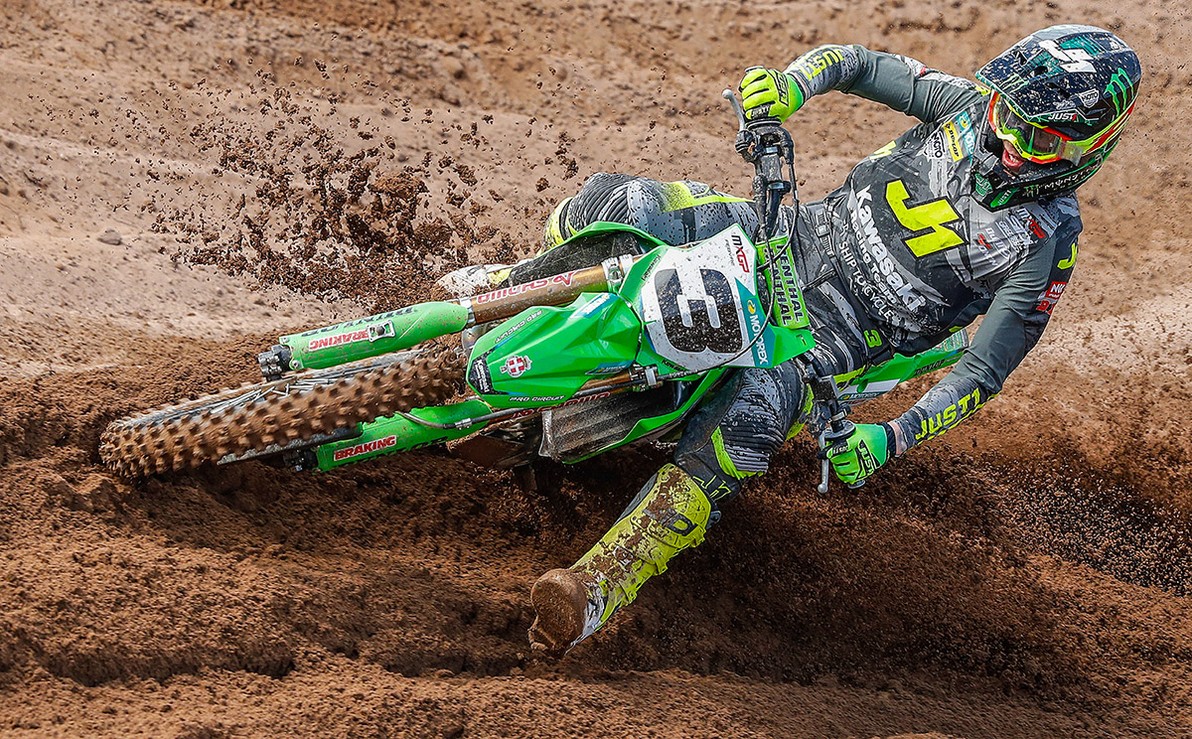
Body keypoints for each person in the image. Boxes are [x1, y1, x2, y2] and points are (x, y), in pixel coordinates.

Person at [442, 25, 1141, 654]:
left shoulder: (1048, 245)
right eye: (1007, 117)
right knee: (611, 203)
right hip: (776, 234)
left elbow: (983, 372)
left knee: (740, 435)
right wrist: (790, 86)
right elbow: (857, 63)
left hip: (818, 345)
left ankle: (597, 585)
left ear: (1088, 149)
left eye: (1039, 139)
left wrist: (891, 437)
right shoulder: (962, 106)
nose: (1011, 144)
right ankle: (503, 294)